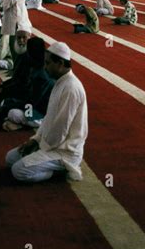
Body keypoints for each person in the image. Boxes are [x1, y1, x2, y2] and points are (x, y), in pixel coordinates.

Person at [5, 41, 88, 183]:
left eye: (48, 63)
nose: (45, 67)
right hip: (50, 143)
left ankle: (59, 171)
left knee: (18, 171)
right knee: (10, 158)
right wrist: (35, 140)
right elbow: (49, 118)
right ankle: (44, 164)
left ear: (60, 64)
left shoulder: (70, 88)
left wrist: (40, 146)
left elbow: (60, 129)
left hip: (64, 151)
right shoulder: (60, 82)